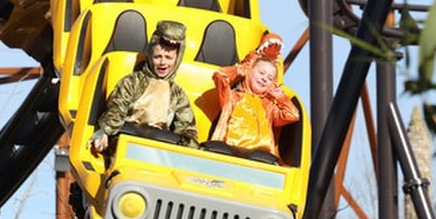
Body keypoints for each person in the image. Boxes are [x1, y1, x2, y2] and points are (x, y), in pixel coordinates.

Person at [89, 20, 199, 152]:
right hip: (126, 147)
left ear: (177, 59)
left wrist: (188, 147)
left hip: (158, 152)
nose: (163, 62)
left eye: (168, 58)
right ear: (150, 55)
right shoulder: (132, 82)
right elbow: (117, 109)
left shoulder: (177, 94)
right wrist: (105, 130)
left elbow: (187, 128)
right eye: (158, 57)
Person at [209, 52, 299, 160]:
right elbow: (219, 76)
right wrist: (238, 70)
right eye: (261, 73)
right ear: (250, 72)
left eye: (270, 78)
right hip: (228, 149)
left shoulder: (269, 106)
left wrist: (281, 97)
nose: (264, 79)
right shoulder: (232, 97)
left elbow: (292, 115)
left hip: (258, 156)